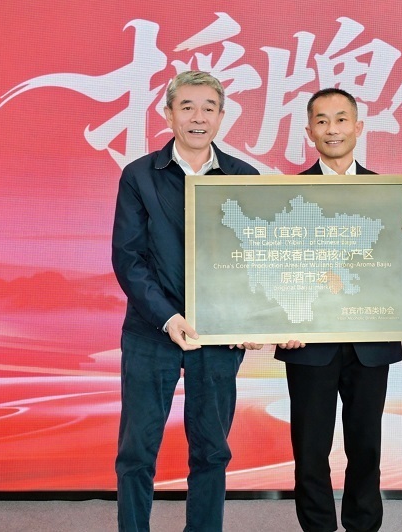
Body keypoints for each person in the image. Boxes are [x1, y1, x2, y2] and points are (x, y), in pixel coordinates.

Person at [112, 70, 261, 532]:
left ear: (222, 116)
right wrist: (167, 316)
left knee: (212, 451)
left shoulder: (244, 177)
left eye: (208, 108)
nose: (198, 117)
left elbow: (256, 258)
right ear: (168, 114)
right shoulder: (139, 175)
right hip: (151, 331)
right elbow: (128, 258)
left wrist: (252, 319)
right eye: (187, 107)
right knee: (137, 451)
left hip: (218, 333)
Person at [275, 87, 402, 532]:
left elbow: (398, 270)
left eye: (341, 119)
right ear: (309, 132)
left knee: (366, 446)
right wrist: (279, 320)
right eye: (322, 121)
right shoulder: (285, 194)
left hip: (370, 341)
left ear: (358, 127)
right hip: (308, 342)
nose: (332, 129)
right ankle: (318, 528)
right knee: (310, 449)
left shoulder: (388, 193)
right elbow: (274, 268)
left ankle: (364, 526)